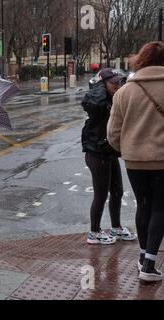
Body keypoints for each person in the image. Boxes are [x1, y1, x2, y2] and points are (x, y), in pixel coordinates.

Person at [108, 41, 164, 282]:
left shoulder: (124, 92)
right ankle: (149, 264)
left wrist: (127, 149)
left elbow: (112, 133)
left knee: (143, 206)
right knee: (160, 208)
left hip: (134, 161)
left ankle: (142, 256)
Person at [81, 68, 137, 245]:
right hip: (96, 153)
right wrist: (100, 88)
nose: (117, 85)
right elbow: (91, 102)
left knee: (117, 191)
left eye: (119, 81)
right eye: (113, 82)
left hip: (109, 151)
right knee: (101, 194)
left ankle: (116, 227)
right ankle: (94, 232)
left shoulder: (113, 99)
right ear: (102, 84)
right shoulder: (97, 99)